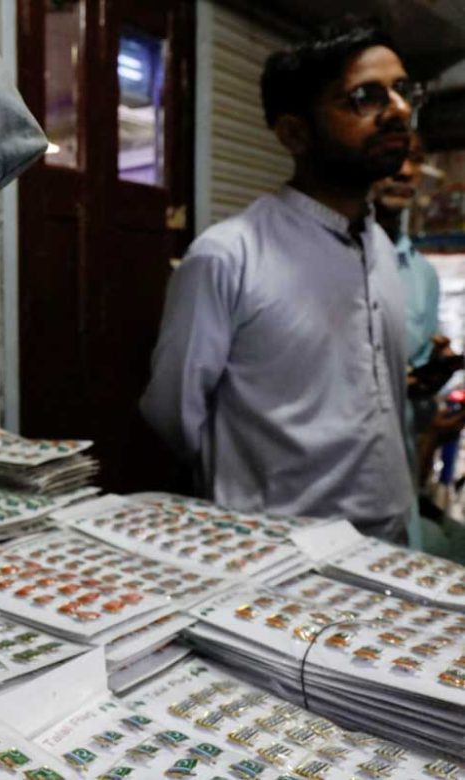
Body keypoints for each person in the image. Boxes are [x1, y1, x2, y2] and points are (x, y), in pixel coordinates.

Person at [140, 19, 420, 541]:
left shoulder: (378, 245)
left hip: (387, 537)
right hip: (274, 549)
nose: (399, 111)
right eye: (365, 97)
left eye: (402, 91)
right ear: (294, 132)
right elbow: (173, 415)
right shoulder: (230, 255)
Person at [373, 135, 465, 495]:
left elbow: (420, 374)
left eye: (413, 159)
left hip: (399, 471)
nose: (404, 171)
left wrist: (439, 368)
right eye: (390, 157)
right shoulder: (321, 259)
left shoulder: (422, 275)